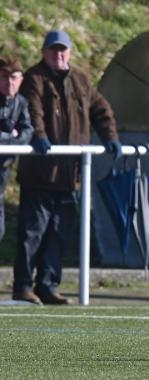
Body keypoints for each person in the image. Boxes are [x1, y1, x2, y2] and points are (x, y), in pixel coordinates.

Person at [12, 29, 122, 305]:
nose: (58, 55)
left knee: (60, 234)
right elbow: (32, 110)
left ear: (70, 52)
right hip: (39, 174)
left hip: (70, 176)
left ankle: (48, 285)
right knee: (32, 234)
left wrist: (110, 137)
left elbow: (101, 109)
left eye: (62, 50)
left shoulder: (81, 79)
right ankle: (23, 286)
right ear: (44, 52)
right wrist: (39, 135)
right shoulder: (34, 78)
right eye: (53, 50)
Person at [0, 57, 33, 243]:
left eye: (14, 77)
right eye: (4, 77)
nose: (9, 82)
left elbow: (27, 131)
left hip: (3, 173)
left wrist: (12, 139)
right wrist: (11, 136)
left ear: (21, 80)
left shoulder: (21, 103)